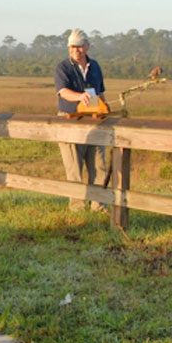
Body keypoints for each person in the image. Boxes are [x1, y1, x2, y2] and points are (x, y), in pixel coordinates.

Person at [54, 28, 108, 211]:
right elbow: (62, 92)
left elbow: (100, 92)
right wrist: (80, 96)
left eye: (79, 47)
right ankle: (77, 208)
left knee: (99, 165)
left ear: (87, 47)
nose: (75, 51)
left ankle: (98, 206)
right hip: (70, 121)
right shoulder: (63, 67)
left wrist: (103, 108)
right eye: (72, 47)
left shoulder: (95, 66)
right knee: (74, 168)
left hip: (93, 120)